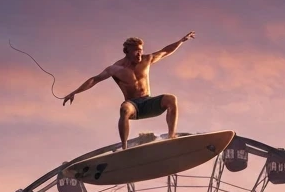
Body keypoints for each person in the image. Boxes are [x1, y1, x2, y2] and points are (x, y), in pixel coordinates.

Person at [62, 32, 195, 149]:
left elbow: (165, 51)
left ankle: (171, 137)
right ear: (127, 51)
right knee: (124, 109)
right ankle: (124, 148)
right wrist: (75, 92)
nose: (139, 53)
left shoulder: (147, 60)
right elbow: (94, 79)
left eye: (141, 50)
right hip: (133, 106)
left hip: (148, 102)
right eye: (136, 51)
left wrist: (181, 41)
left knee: (171, 99)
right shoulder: (115, 69)